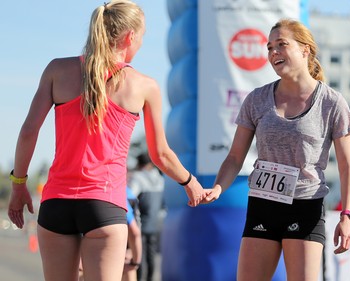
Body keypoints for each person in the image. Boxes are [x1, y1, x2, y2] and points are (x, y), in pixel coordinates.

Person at [7, 1, 206, 281]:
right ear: (129, 37)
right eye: (142, 37)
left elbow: (29, 131)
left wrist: (18, 185)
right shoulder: (144, 85)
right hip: (105, 205)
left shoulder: (56, 70)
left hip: (56, 203)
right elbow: (160, 153)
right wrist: (190, 182)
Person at [202, 18, 350, 281]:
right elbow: (235, 157)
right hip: (263, 205)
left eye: (281, 45)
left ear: (305, 49)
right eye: (269, 47)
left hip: (306, 206)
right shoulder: (257, 99)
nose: (273, 52)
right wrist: (218, 187)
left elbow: (346, 167)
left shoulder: (332, 102)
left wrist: (347, 215)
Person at [128, 152, 165, 281]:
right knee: (151, 255)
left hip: (140, 224)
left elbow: (130, 196)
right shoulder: (159, 178)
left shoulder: (137, 178)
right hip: (154, 223)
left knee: (139, 256)